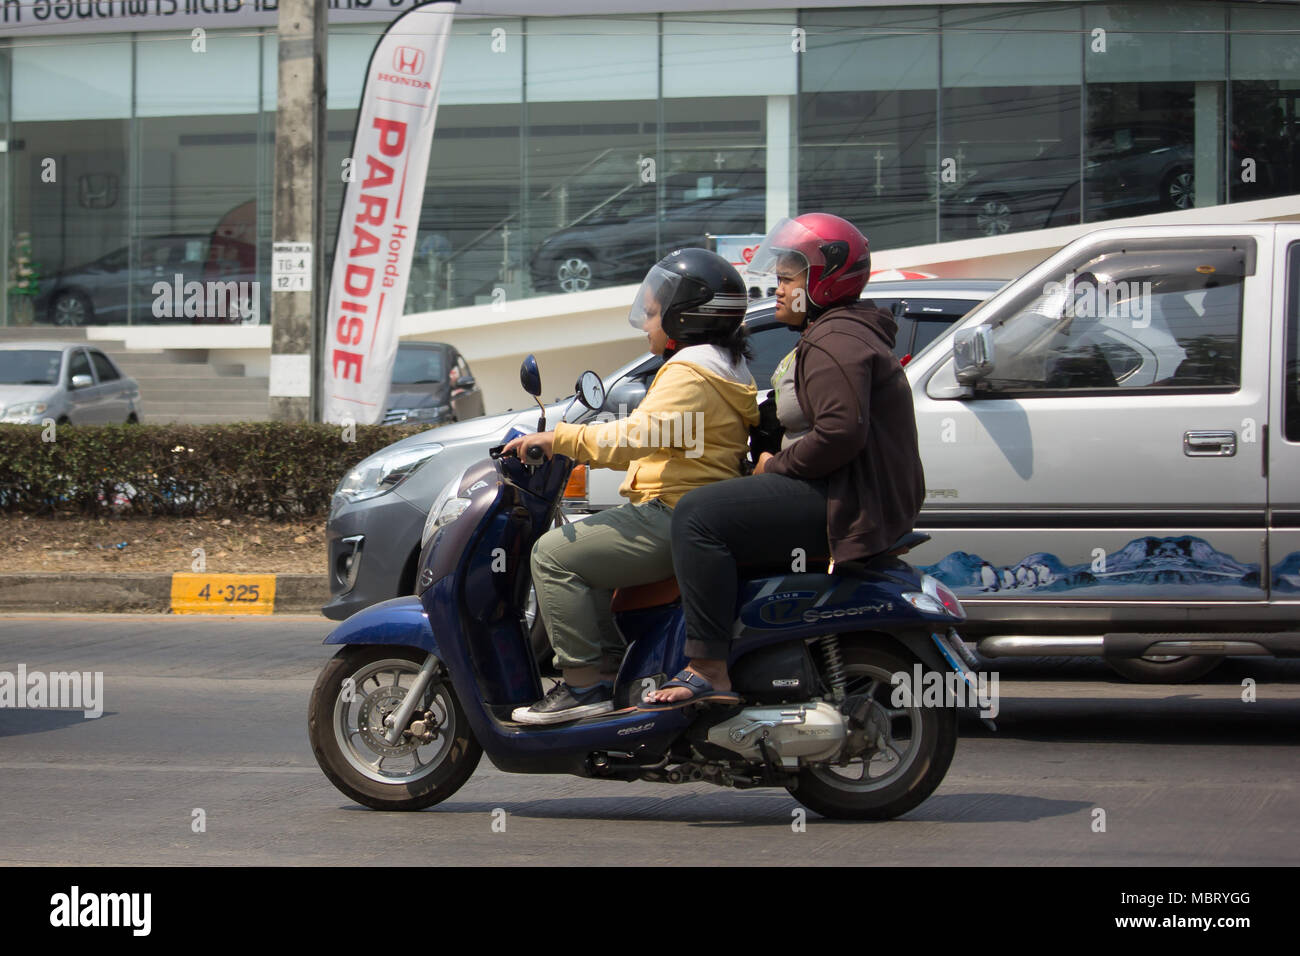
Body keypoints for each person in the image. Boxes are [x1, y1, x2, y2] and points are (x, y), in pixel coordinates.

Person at [642, 213, 925, 708]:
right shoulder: (837, 333)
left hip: (844, 499)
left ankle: (707, 665)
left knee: (698, 516)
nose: (778, 291)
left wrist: (774, 467)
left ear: (824, 280)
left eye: (788, 279)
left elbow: (839, 434)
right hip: (847, 491)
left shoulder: (835, 341)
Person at [503, 248, 759, 724]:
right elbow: (663, 438)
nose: (647, 323)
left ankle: (582, 685)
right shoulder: (721, 366)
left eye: (656, 311)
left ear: (687, 316)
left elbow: (635, 436)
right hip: (686, 511)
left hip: (673, 514)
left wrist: (560, 439)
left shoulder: (690, 371)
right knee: (589, 560)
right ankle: (614, 674)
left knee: (553, 555)